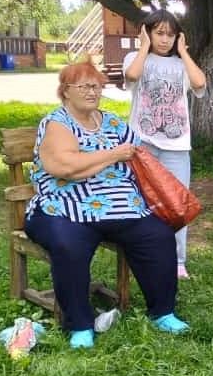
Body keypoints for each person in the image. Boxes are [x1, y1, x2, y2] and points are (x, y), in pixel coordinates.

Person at [25, 60, 189, 349]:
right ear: (65, 91)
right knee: (68, 245)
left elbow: (138, 155)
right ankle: (80, 325)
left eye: (97, 86)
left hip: (120, 206)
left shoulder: (113, 122)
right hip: (64, 207)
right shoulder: (57, 123)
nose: (93, 91)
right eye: (85, 86)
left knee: (159, 235)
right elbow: (66, 167)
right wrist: (113, 154)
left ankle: (163, 312)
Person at [123, 9, 206, 280]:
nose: (164, 39)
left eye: (170, 34)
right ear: (147, 32)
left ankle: (178, 260)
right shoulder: (134, 59)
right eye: (159, 33)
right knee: (141, 202)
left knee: (177, 203)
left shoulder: (182, 64)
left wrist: (183, 53)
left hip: (177, 146)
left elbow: (199, 83)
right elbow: (132, 77)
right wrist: (144, 47)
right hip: (142, 144)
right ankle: (143, 255)